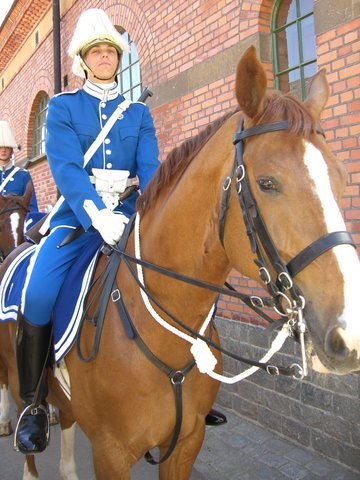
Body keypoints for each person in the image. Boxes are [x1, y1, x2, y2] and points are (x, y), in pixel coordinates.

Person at [14, 8, 225, 455]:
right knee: (37, 292)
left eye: (110, 49)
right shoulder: (63, 107)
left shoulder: (137, 114)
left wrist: (148, 209)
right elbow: (66, 167)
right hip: (78, 214)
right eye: (96, 50)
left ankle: (197, 387)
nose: (105, 56)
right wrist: (94, 211)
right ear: (83, 60)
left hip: (130, 212)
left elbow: (152, 171)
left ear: (118, 55)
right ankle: (34, 404)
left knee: (185, 271)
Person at [0, 120, 38, 212]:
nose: (3, 150)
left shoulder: (23, 175)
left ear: (12, 151)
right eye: (0, 147)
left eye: (7, 147)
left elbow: (31, 206)